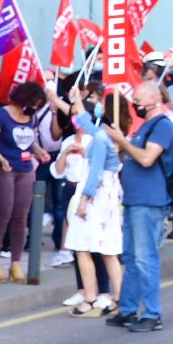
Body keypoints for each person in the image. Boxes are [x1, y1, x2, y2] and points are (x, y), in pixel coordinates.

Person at [105, 81, 173, 332]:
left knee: (145, 259)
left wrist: (122, 142)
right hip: (135, 200)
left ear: (153, 100)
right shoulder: (146, 126)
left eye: (138, 99)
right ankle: (127, 309)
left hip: (149, 201)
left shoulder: (163, 126)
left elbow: (147, 159)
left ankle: (152, 313)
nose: (134, 103)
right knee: (132, 258)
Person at [62, 93, 126, 317]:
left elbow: (94, 173)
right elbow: (85, 122)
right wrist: (78, 99)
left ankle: (89, 299)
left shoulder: (100, 140)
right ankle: (118, 299)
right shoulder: (107, 136)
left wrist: (83, 200)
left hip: (96, 198)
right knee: (109, 250)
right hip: (107, 197)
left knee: (82, 248)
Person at [0, 81, 52, 283]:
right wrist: (1, 160)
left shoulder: (30, 117)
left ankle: (16, 263)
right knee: (2, 214)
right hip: (5, 169)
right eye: (33, 103)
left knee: (21, 217)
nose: (33, 108)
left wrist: (38, 150)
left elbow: (28, 140)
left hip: (25, 170)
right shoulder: (2, 115)